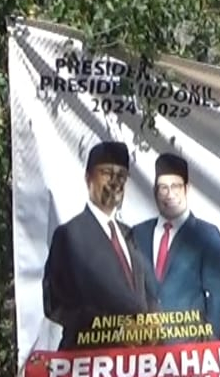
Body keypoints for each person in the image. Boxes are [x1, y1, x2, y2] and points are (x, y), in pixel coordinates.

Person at [42, 140, 160, 349]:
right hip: (87, 365)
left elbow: (147, 296)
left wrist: (152, 321)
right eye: (107, 172)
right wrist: (116, 330)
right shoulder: (70, 235)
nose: (115, 182)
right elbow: (56, 304)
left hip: (136, 368)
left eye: (121, 175)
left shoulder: (131, 237)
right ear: (88, 178)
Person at [131, 153, 220, 342]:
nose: (169, 194)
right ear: (155, 192)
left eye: (175, 187)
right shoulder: (138, 234)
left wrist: (210, 344)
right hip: (145, 352)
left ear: (187, 189)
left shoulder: (206, 235)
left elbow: (218, 295)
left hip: (188, 352)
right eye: (163, 188)